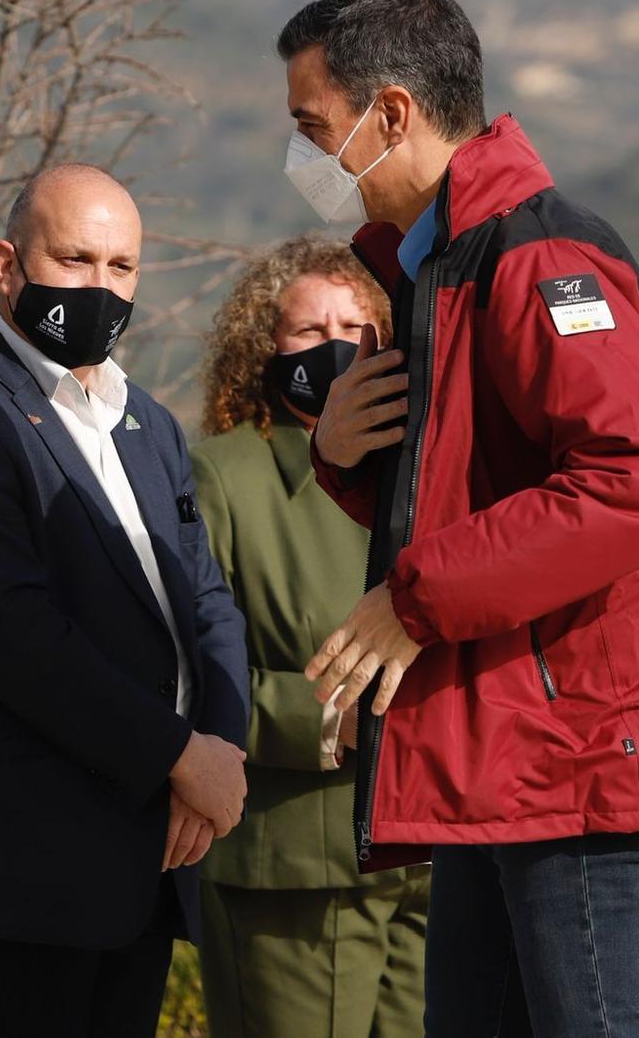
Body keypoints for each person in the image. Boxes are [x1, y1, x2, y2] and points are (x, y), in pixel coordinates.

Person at [280, 0, 639, 1037]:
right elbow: (468, 489)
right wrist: (343, 456)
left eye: (311, 127)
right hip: (507, 754)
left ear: (389, 114)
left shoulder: (540, 261)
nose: (301, 159)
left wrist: (414, 601)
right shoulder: (433, 270)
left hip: (578, 756)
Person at [0, 163, 250, 1038]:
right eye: (75, 259)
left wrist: (219, 748)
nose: (101, 287)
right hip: (7, 882)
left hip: (135, 865)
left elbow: (205, 600)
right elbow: (14, 637)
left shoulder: (148, 423)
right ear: (6, 265)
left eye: (122, 267)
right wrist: (180, 756)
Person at [190, 236, 428, 1038]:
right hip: (292, 867)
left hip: (432, 859)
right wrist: (331, 721)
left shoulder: (428, 472)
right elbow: (185, 672)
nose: (335, 348)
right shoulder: (220, 474)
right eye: (307, 331)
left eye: (357, 327)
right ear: (264, 347)